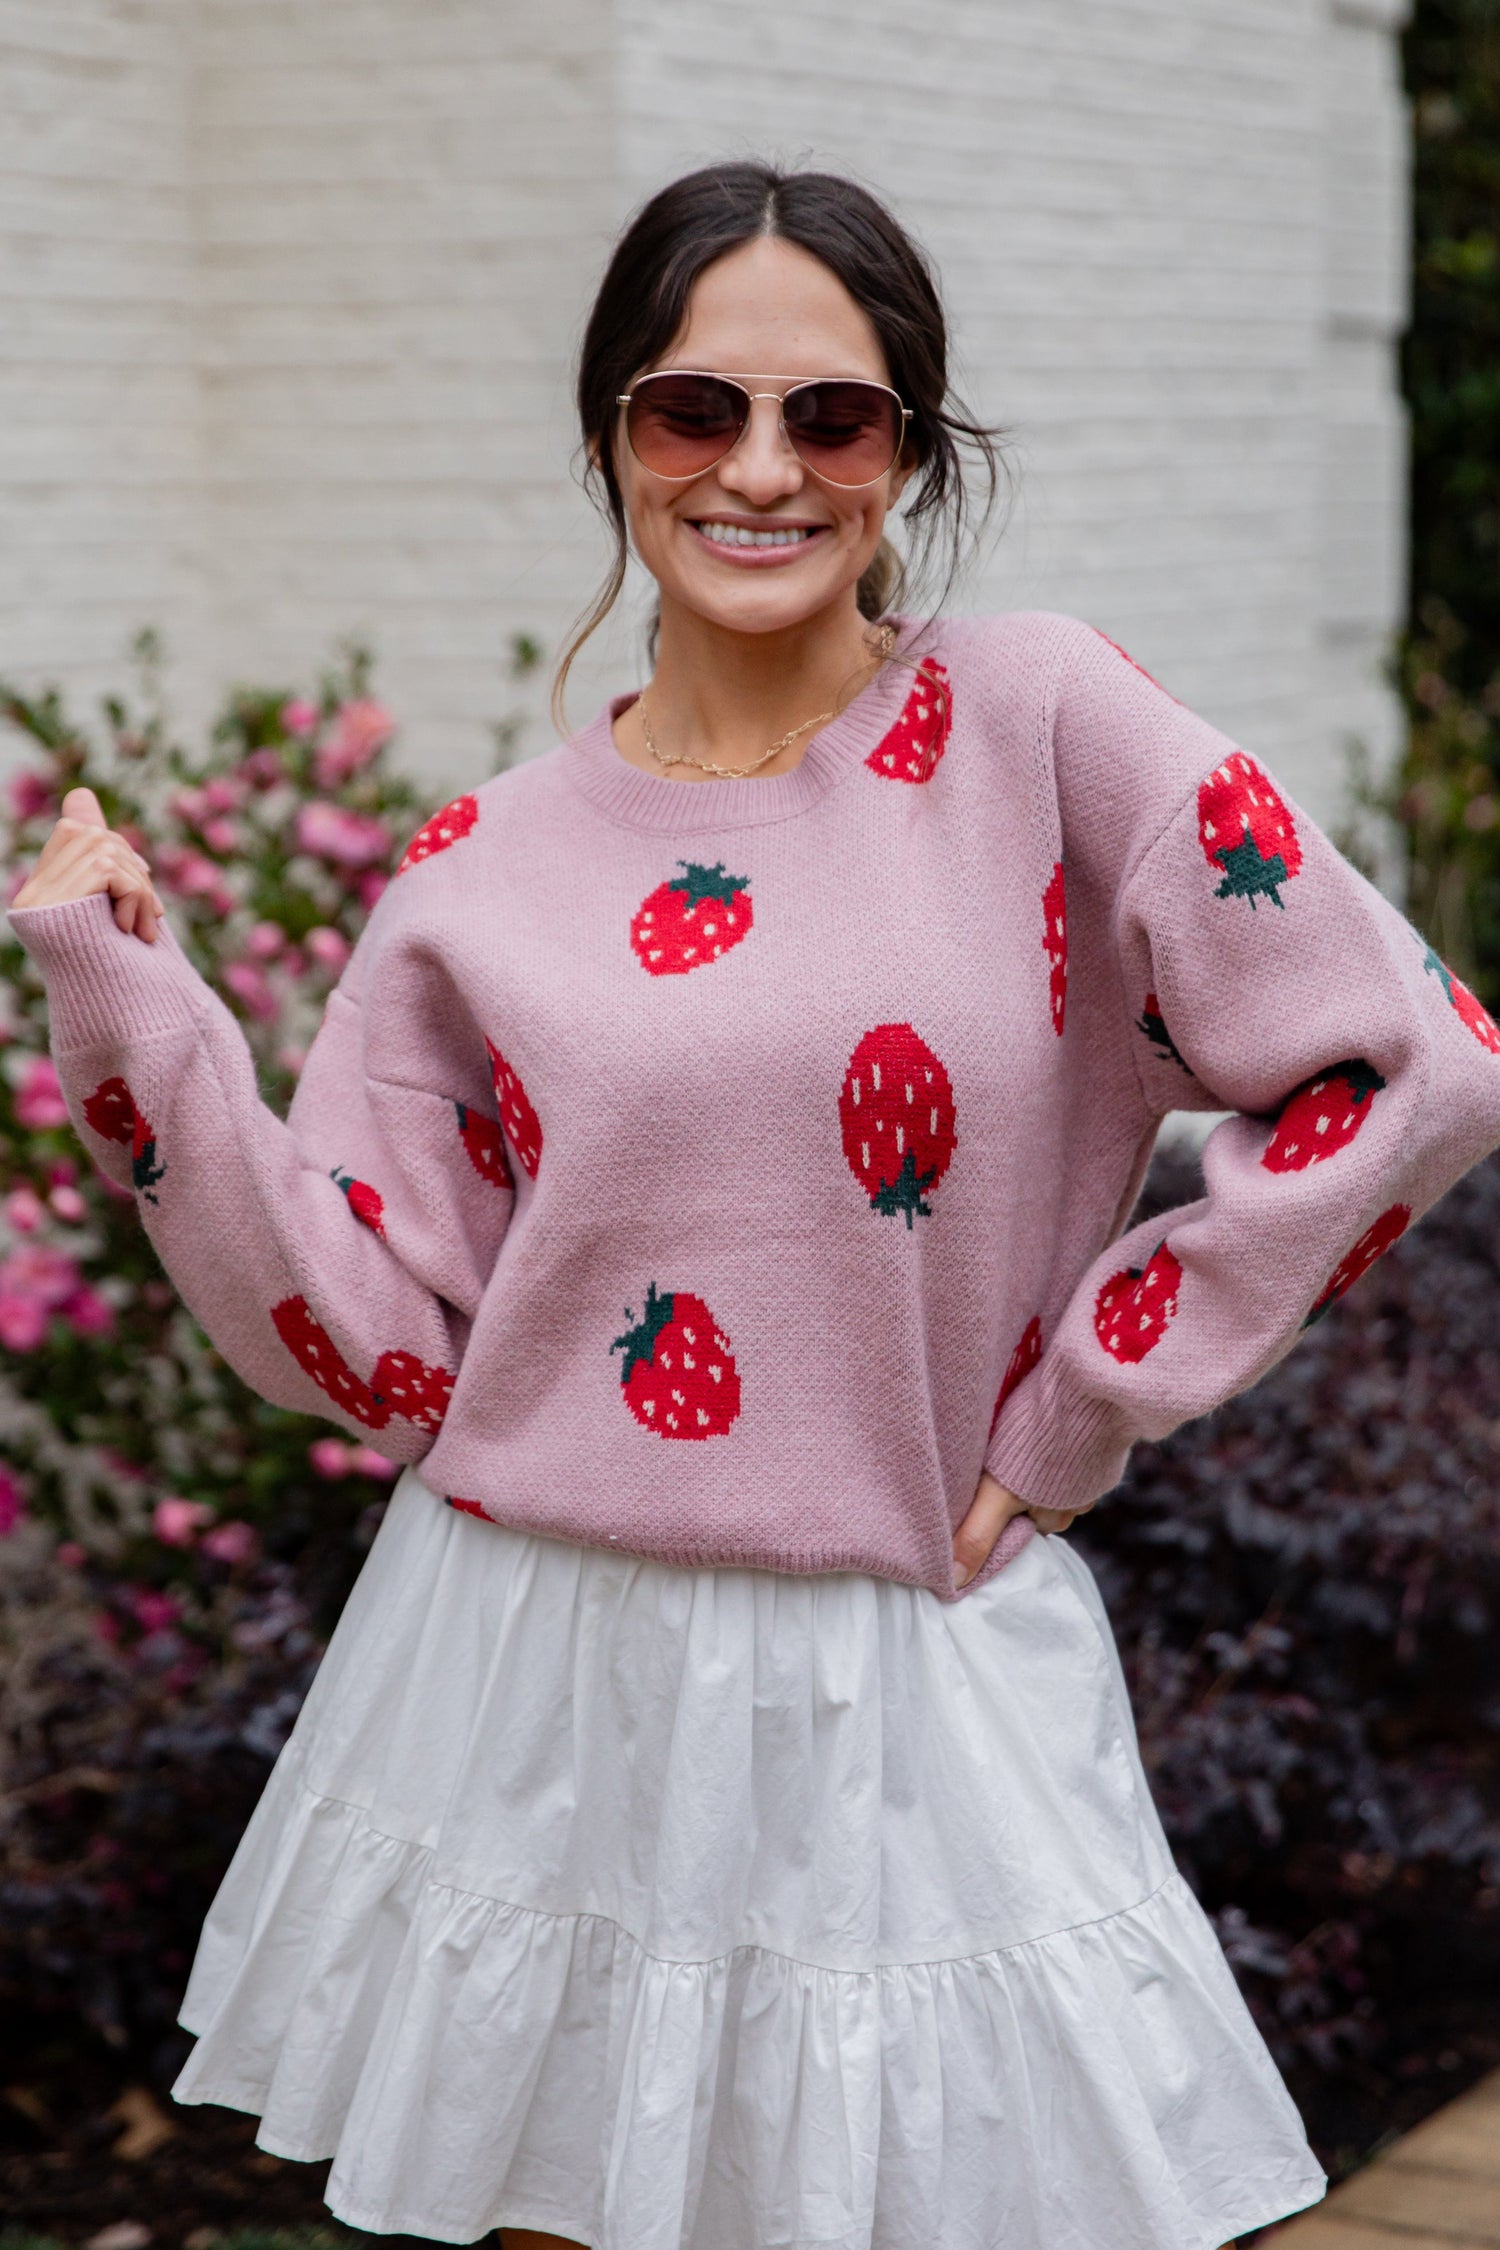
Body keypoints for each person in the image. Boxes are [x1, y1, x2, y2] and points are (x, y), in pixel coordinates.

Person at [11, 159, 1500, 2250]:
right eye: (695, 410)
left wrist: (1087, 1399)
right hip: (527, 1663)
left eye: (836, 415)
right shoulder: (481, 865)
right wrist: (128, 1005)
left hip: (908, 1652)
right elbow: (371, 1342)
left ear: (909, 449)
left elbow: (1411, 1061)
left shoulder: (1044, 726)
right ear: (614, 433)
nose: (763, 469)